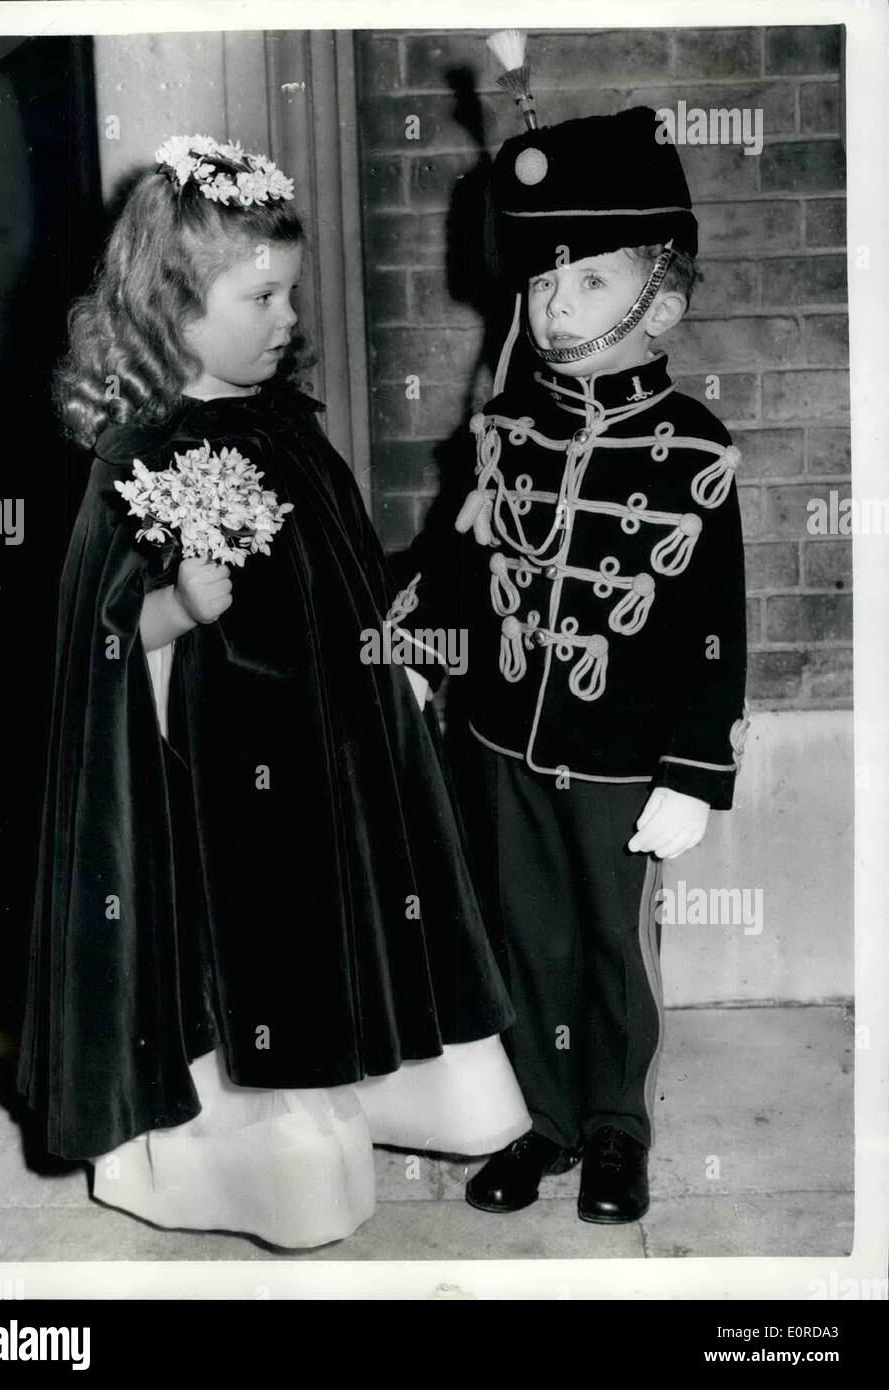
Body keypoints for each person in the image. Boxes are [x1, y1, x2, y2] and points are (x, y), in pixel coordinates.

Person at [15, 134, 530, 1251]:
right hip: (214, 786)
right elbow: (92, 650)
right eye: (260, 296)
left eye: (288, 293)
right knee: (256, 965)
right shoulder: (137, 454)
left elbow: (342, 584)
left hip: (325, 753)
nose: (286, 317)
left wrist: (441, 555)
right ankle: (242, 1154)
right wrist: (177, 610)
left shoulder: (287, 432)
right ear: (172, 307)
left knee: (341, 924)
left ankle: (369, 1090)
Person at [389, 105, 749, 1224]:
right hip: (500, 734)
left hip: (620, 757)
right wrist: (408, 644)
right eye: (543, 285)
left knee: (610, 945)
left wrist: (693, 770)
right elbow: (461, 557)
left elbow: (711, 629)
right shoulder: (507, 429)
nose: (552, 307)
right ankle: (538, 1119)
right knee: (523, 935)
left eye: (587, 283)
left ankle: (613, 1128)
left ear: (663, 300)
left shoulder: (692, 449)